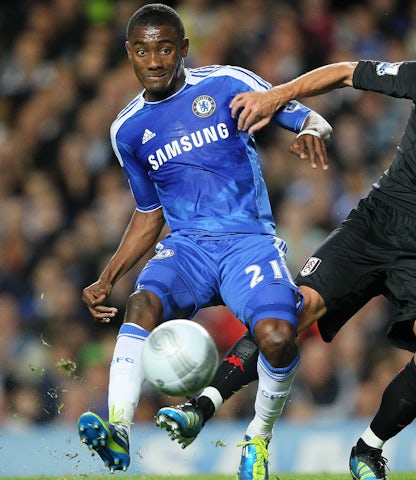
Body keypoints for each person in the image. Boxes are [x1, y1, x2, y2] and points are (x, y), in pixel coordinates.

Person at [157, 6, 416, 479]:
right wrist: (278, 95)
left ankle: (368, 448)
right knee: (290, 312)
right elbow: (345, 72)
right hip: (378, 222)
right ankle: (203, 405)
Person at [75, 4, 331, 480]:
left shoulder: (228, 83)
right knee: (141, 305)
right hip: (188, 249)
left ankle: (257, 439)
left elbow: (307, 116)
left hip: (247, 243)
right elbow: (150, 214)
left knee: (277, 337)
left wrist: (314, 129)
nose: (154, 60)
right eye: (143, 50)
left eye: (165, 48)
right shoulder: (127, 130)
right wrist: (108, 277)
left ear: (184, 50)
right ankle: (118, 431)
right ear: (129, 53)